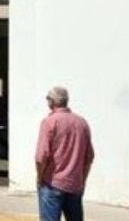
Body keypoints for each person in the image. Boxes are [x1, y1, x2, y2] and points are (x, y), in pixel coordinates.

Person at [35, 86, 94, 221]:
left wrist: (39, 178)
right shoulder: (82, 123)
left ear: (52, 101)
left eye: (48, 99)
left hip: (52, 183)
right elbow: (89, 157)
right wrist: (82, 181)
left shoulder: (49, 122)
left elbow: (41, 156)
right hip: (74, 184)